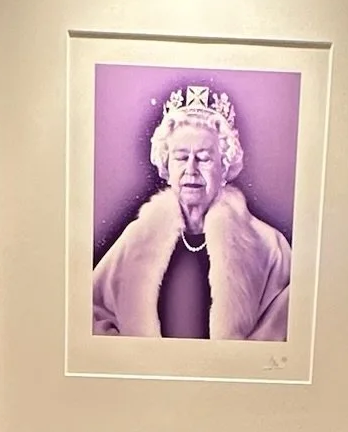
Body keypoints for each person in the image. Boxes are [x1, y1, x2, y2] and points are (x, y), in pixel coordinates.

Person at [92, 84, 290, 340]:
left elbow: (290, 332)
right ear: (166, 165)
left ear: (224, 166)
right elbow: (89, 314)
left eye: (204, 158)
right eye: (181, 157)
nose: (191, 170)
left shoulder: (269, 246)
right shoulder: (135, 239)